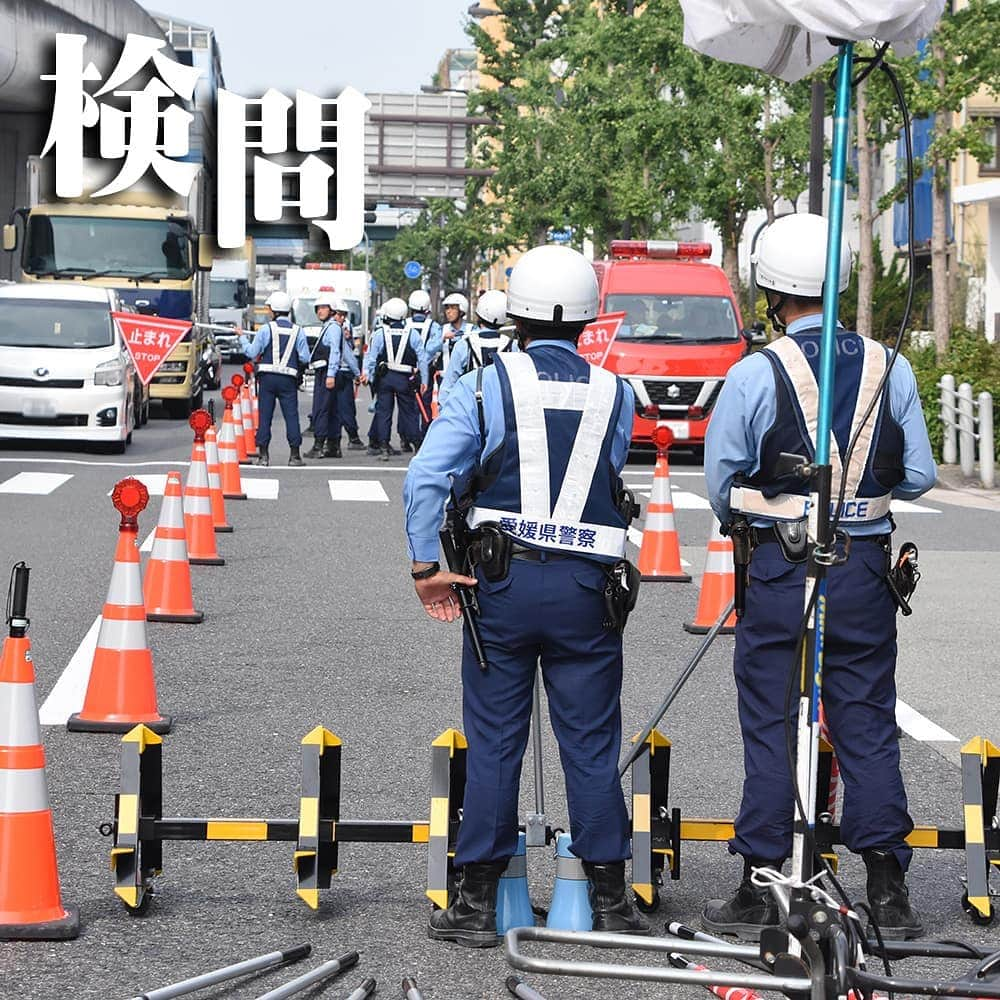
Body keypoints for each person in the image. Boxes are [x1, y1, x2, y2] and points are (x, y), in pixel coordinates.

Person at [403, 244, 648, 948]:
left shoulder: (482, 385)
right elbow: (609, 473)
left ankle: (477, 903)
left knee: (496, 741)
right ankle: (608, 899)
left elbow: (426, 479)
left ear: (515, 315)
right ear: (587, 319)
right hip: (587, 589)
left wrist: (426, 567)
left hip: (499, 583)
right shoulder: (615, 392)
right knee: (592, 743)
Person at [703, 213, 937, 942]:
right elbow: (922, 476)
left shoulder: (753, 373)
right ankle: (889, 888)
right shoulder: (889, 366)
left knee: (772, 715)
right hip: (864, 567)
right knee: (865, 717)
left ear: (771, 292)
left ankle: (760, 880)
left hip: (782, 565)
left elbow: (721, 487)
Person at [239, 290, 312, 467]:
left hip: (267, 378)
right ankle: (295, 456)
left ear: (273, 310)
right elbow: (304, 358)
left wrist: (241, 336)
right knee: (291, 416)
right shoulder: (298, 331)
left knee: (265, 416)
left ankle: (263, 456)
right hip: (288, 379)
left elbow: (251, 352)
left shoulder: (266, 329)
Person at [363, 297, 429, 462]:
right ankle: (417, 445)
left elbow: (371, 358)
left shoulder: (380, 334)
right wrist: (424, 381)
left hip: (385, 378)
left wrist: (369, 375)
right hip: (405, 378)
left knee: (384, 412)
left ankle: (384, 446)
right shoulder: (412, 334)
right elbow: (422, 358)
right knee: (409, 413)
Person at [437, 290, 515, 407]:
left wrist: (444, 412)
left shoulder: (464, 344)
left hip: (470, 407)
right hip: (501, 408)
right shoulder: (512, 345)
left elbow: (449, 385)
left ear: (479, 314)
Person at [304, 293, 344, 459]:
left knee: (321, 409)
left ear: (331, 310)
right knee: (333, 410)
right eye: (318, 308)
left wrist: (330, 375)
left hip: (327, 373)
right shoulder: (330, 326)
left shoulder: (333, 328)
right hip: (328, 372)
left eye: (323, 308)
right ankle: (333, 446)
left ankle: (318, 445)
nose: (320, 311)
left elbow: (335, 351)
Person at [405, 289, 443, 448]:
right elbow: (435, 346)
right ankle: (423, 436)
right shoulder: (433, 326)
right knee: (424, 404)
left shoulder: (405, 324)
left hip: (405, 369)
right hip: (424, 370)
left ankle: (406, 437)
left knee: (406, 405)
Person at [328, 298, 364, 453]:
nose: (341, 318)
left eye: (343, 315)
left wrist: (356, 372)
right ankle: (335, 442)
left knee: (344, 407)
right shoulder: (334, 327)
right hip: (339, 370)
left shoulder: (341, 327)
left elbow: (345, 352)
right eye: (339, 315)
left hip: (342, 371)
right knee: (335, 408)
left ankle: (351, 437)